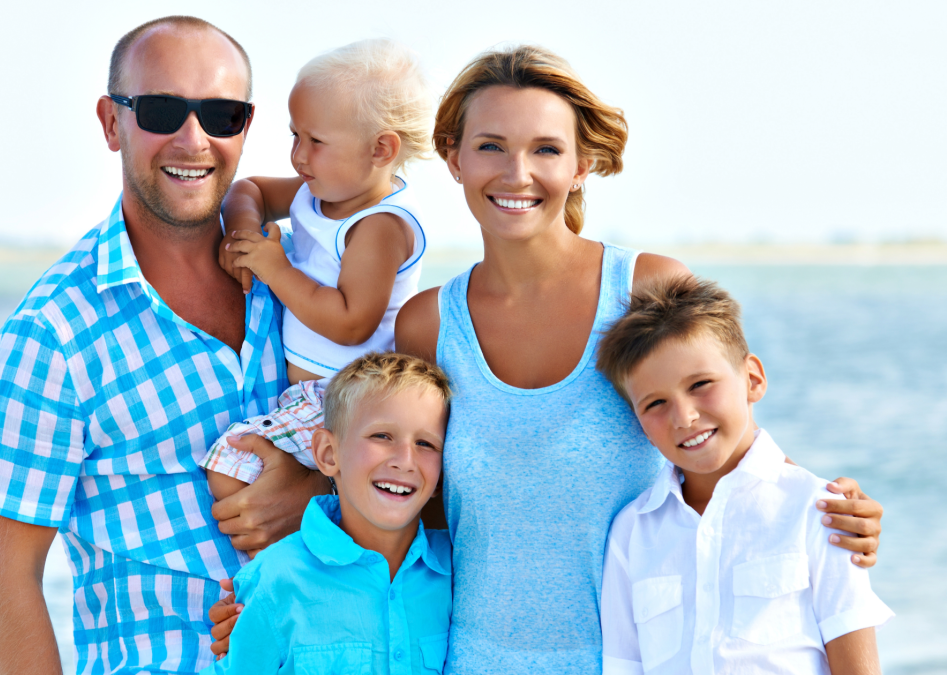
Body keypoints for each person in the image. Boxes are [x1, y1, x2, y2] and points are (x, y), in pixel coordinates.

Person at [207, 45, 884, 672]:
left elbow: (722, 435)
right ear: (454, 158)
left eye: (546, 149)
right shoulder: (427, 325)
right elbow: (410, 494)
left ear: (580, 163)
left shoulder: (646, 288)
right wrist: (278, 590)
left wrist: (825, 512)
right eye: (491, 146)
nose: (517, 173)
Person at [0, 17, 330, 675]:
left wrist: (320, 497)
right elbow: (2, 575)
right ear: (110, 122)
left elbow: (412, 453)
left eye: (221, 114)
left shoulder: (308, 275)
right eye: (161, 110)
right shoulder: (53, 334)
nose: (194, 139)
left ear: (246, 126)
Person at [595, 276, 892, 674]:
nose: (684, 417)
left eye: (700, 384)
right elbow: (624, 666)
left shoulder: (820, 511)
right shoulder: (631, 533)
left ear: (752, 379)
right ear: (639, 424)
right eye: (656, 403)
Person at [199, 39, 431, 516]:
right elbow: (250, 189)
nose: (298, 156)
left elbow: (352, 322)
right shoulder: (318, 192)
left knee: (230, 468)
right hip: (306, 395)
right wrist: (243, 234)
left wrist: (276, 268)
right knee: (238, 470)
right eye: (294, 136)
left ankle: (300, 562)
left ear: (381, 149)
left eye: (316, 141)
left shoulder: (378, 226)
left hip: (344, 396)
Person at [202, 352, 453, 674]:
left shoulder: (458, 571)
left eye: (426, 444)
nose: (405, 460)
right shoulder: (278, 576)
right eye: (382, 436)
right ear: (328, 453)